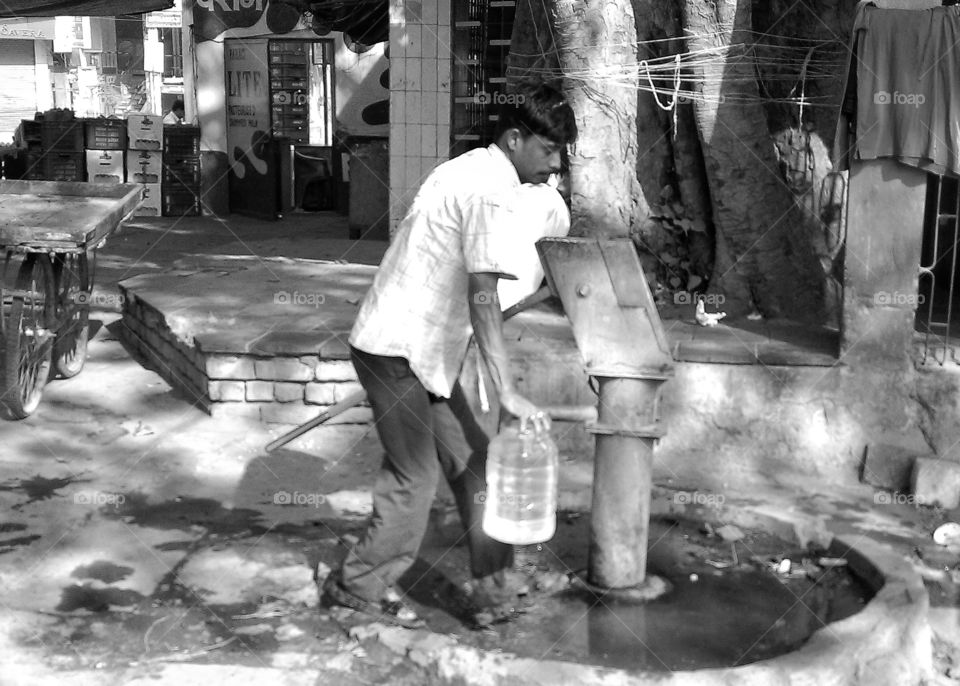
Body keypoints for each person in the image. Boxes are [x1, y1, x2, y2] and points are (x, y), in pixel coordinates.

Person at [320, 80, 577, 629]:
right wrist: (505, 390)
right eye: (548, 150)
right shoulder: (484, 189)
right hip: (393, 351)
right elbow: (481, 294)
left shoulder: (479, 174)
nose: (555, 166)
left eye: (561, 154)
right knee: (414, 476)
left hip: (431, 352)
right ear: (514, 139)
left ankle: (495, 587)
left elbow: (485, 295)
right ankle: (358, 586)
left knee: (476, 465)